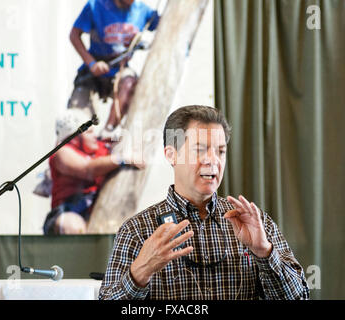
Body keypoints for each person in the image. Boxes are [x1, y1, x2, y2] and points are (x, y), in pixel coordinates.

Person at [98, 105, 310, 300]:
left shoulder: (254, 222)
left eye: (220, 151)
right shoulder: (137, 230)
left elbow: (299, 297)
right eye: (200, 149)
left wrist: (264, 252)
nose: (213, 160)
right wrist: (140, 272)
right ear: (172, 155)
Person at [43, 109, 144, 235]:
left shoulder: (99, 147)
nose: (94, 137)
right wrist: (122, 158)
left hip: (92, 209)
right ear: (74, 139)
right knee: (73, 226)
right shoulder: (62, 153)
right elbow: (88, 170)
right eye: (89, 132)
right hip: (66, 213)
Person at [68, 0, 160, 132]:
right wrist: (92, 63)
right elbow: (74, 35)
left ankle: (107, 132)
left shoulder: (143, 10)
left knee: (130, 84)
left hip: (120, 68)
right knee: (75, 118)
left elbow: (167, 24)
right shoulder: (95, 5)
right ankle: (78, 140)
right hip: (93, 70)